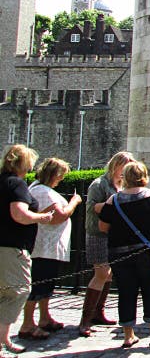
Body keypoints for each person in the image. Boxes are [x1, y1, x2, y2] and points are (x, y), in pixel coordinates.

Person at [98, 161, 150, 349]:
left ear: (125, 177)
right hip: (147, 253)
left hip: (120, 254)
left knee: (126, 292)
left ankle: (128, 336)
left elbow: (103, 226)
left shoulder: (113, 201)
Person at [19, 158, 81, 340]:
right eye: (60, 176)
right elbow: (59, 216)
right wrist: (74, 202)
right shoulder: (41, 191)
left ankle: (44, 317)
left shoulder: (40, 190)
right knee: (38, 284)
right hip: (43, 247)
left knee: (46, 283)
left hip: (49, 247)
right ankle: (27, 324)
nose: (60, 180)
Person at [0, 145, 54, 355]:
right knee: (18, 291)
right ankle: (2, 342)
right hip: (11, 247)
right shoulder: (16, 184)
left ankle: (4, 340)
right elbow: (19, 214)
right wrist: (42, 217)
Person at [80, 150, 134, 337]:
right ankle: (85, 320)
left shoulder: (120, 185)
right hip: (98, 233)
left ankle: (98, 312)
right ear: (116, 165)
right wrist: (114, 202)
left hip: (113, 235)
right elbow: (92, 207)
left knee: (108, 274)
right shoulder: (99, 184)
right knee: (101, 273)